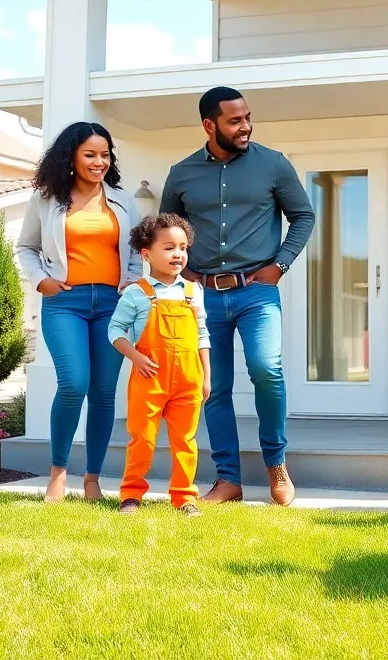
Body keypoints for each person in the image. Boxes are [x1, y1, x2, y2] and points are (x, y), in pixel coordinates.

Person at [160, 86, 315, 506]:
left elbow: (303, 215)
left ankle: (276, 464)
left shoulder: (273, 165)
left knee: (267, 368)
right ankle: (227, 478)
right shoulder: (182, 173)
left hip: (256, 293)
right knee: (214, 387)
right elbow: (167, 230)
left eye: (247, 117)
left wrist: (279, 265)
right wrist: (184, 275)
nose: (245, 126)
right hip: (202, 297)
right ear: (209, 125)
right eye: (234, 120)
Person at [16, 121, 142, 504]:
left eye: (105, 155)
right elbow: (26, 247)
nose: (99, 162)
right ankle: (57, 473)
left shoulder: (123, 199)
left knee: (104, 392)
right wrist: (42, 281)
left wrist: (132, 281)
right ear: (70, 156)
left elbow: (135, 251)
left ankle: (92, 478)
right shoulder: (46, 198)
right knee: (73, 384)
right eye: (90, 154)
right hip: (64, 303)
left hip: (112, 305)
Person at [108, 213, 211, 516]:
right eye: (168, 248)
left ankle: (184, 498)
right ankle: (131, 494)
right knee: (142, 438)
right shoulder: (136, 293)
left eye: (182, 247)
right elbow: (114, 331)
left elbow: (203, 335)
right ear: (146, 254)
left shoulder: (193, 291)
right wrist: (136, 357)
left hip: (188, 378)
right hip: (148, 377)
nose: (178, 254)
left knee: (185, 441)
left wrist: (207, 376)